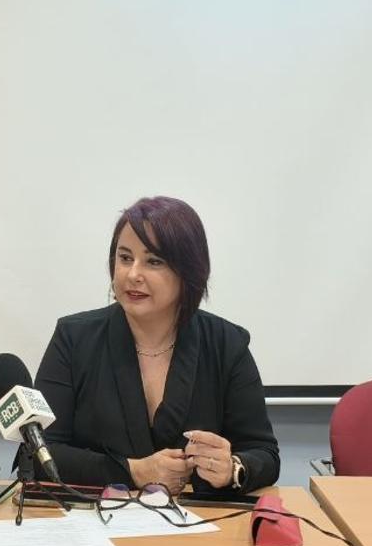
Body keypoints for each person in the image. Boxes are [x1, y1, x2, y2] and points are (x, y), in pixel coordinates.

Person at [35, 196, 279, 494]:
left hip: (197, 524)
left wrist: (233, 468)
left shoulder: (227, 344)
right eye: (125, 258)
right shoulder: (73, 338)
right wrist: (133, 471)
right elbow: (39, 454)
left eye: (153, 261)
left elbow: (264, 453)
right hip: (97, 519)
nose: (132, 274)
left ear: (188, 271)